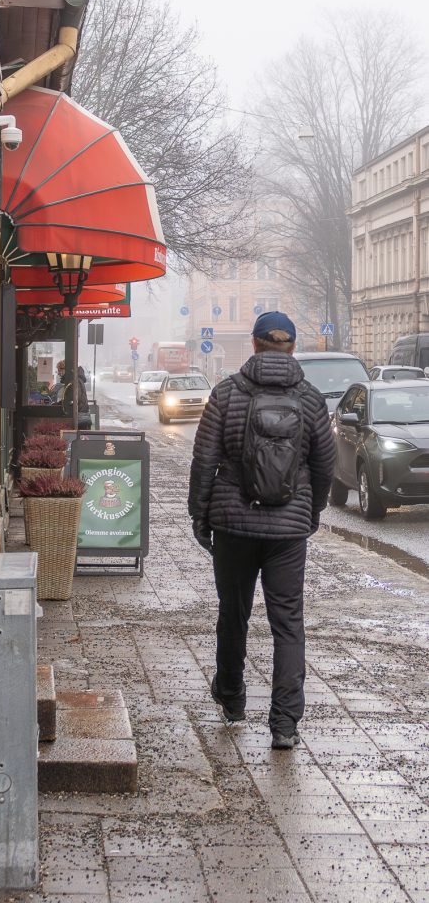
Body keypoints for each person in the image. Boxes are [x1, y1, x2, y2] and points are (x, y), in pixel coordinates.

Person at [188, 311, 335, 749]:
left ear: (253, 345)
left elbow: (204, 460)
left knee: (234, 613)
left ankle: (232, 698)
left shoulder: (227, 393)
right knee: (288, 622)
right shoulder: (310, 399)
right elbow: (325, 465)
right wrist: (312, 512)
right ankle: (285, 724)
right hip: (288, 530)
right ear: (292, 347)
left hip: (233, 523)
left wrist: (201, 515)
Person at [63, 365, 92, 430]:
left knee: (80, 434)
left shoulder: (76, 381)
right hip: (83, 411)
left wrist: (69, 402)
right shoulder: (79, 380)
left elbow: (77, 397)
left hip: (80, 413)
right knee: (83, 434)